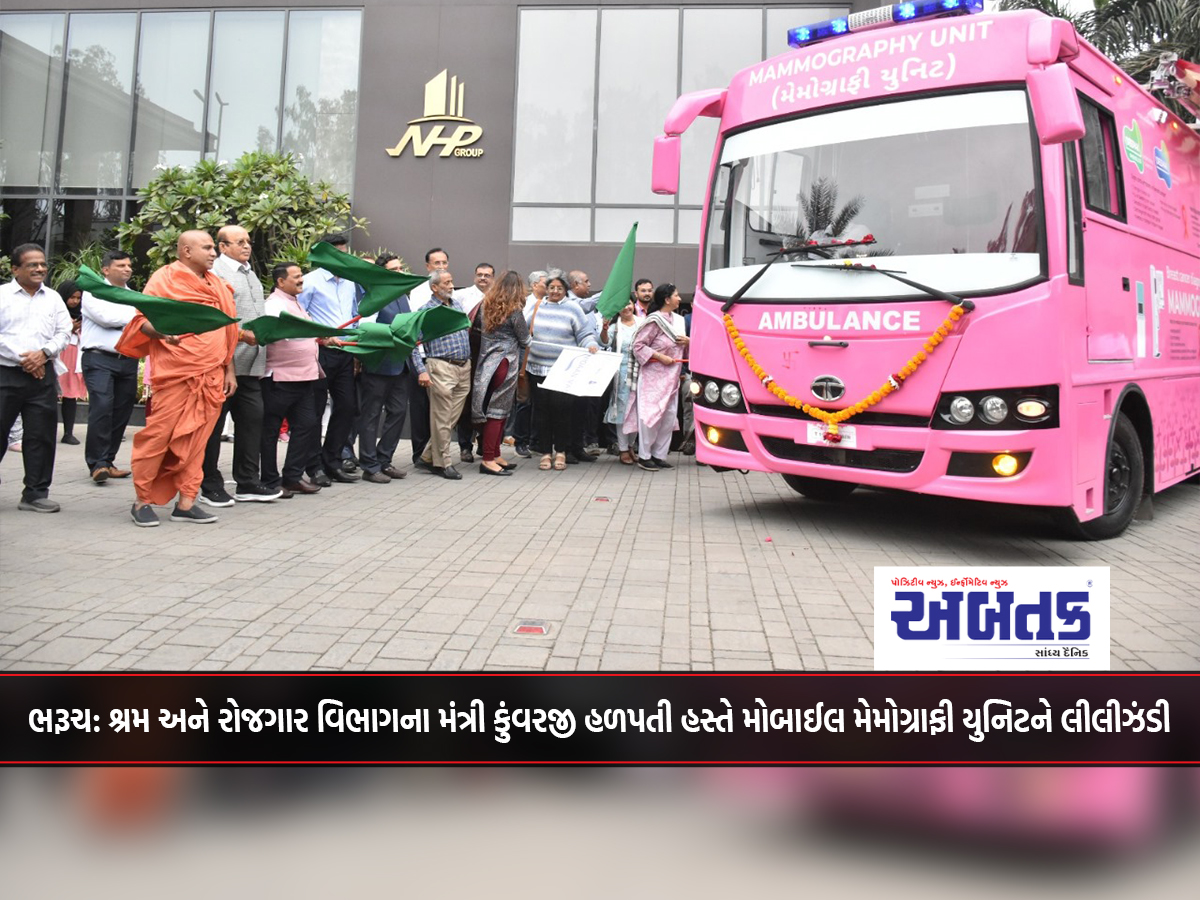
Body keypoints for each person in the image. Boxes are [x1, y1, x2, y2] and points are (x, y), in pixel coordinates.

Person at [119, 230, 238, 526]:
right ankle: (142, 500)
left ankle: (186, 501)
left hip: (211, 374)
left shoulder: (217, 285)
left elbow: (227, 330)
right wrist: (160, 332)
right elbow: (141, 320)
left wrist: (228, 369)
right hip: (176, 372)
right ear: (186, 251)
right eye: (207, 248)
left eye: (214, 248)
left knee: (198, 440)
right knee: (159, 437)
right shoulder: (165, 278)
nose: (213, 253)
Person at [200, 224, 279, 506]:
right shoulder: (216, 275)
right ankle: (209, 485)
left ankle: (247, 483)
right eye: (239, 242)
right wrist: (235, 351)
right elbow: (218, 323)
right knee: (214, 429)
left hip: (253, 367)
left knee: (251, 425)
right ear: (223, 247)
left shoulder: (250, 273)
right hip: (223, 366)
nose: (247, 246)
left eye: (248, 241)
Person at [0, 244, 72, 512]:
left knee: (41, 435)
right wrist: (25, 359)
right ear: (15, 269)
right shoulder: (2, 296)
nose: (40, 269)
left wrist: (43, 354)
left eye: (42, 264)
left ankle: (35, 493)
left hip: (42, 376)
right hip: (5, 373)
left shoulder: (53, 298)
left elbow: (64, 331)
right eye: (32, 265)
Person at [298, 233, 360, 486]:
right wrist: (321, 337)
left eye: (344, 252)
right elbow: (299, 317)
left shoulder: (349, 282)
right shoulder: (310, 281)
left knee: (347, 407)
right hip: (320, 351)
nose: (342, 257)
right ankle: (313, 467)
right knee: (314, 411)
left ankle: (331, 461)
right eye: (337, 253)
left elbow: (354, 314)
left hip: (345, 352)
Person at [260, 263, 325, 497]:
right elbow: (275, 334)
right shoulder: (274, 305)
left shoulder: (295, 302)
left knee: (307, 425)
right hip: (280, 379)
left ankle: (293, 477)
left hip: (305, 378)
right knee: (270, 431)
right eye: (296, 277)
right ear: (280, 282)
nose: (301, 280)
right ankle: (269, 480)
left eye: (301, 276)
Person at [526, 274, 598, 471]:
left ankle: (561, 451)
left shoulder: (573, 308)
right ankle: (545, 453)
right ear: (546, 289)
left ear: (565, 290)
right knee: (541, 413)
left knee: (562, 412)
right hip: (537, 369)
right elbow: (523, 332)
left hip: (564, 371)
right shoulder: (536, 306)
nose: (555, 291)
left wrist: (591, 344)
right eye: (551, 287)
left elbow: (584, 334)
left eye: (559, 288)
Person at [356, 253, 414, 484]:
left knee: (399, 412)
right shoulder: (374, 296)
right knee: (371, 415)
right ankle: (369, 466)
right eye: (394, 269)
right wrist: (393, 335)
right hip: (378, 364)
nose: (400, 273)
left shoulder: (402, 295)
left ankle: (384, 460)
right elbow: (364, 327)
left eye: (401, 268)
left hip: (400, 365)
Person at [80, 250, 138, 482]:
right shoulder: (94, 292)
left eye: (129, 265)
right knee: (102, 407)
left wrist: (134, 315)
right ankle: (97, 463)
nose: (127, 269)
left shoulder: (133, 295)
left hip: (128, 359)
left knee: (121, 412)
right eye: (121, 265)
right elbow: (105, 317)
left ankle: (108, 460)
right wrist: (134, 315)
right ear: (106, 270)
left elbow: (142, 320)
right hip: (99, 359)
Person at [624, 283, 689, 472]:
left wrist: (688, 342)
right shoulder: (654, 320)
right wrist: (660, 356)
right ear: (667, 300)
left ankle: (659, 455)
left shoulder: (678, 320)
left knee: (668, 417)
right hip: (653, 377)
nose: (679, 298)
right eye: (676, 295)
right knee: (650, 417)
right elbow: (638, 346)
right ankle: (644, 456)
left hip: (672, 377)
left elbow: (684, 347)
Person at [413, 270, 471, 480]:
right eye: (446, 282)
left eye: (452, 281)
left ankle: (427, 455)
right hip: (440, 367)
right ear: (434, 287)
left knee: (448, 418)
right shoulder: (425, 311)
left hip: (464, 367)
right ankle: (442, 462)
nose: (451, 285)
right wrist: (421, 370)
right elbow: (412, 344)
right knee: (441, 417)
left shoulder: (455, 305)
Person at [472, 270, 530, 475]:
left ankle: (495, 454)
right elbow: (525, 339)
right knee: (497, 413)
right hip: (506, 363)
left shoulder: (485, 305)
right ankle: (488, 459)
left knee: (494, 411)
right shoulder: (515, 310)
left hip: (487, 364)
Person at [406, 247, 448, 464]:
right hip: (420, 356)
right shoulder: (419, 290)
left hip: (441, 359)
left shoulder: (449, 291)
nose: (440, 267)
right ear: (427, 267)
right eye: (436, 263)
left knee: (439, 409)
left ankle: (433, 453)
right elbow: (415, 327)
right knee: (420, 407)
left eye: (444, 263)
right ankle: (418, 454)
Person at [452, 263, 493, 463]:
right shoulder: (461, 296)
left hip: (490, 358)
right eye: (479, 274)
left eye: (487, 275)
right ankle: (464, 446)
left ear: (493, 278)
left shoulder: (498, 298)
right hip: (468, 355)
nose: (483, 278)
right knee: (466, 402)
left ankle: (484, 445)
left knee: (487, 401)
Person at [601, 298, 644, 465]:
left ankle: (632, 446)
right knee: (623, 412)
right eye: (622, 304)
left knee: (638, 411)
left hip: (641, 371)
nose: (626, 307)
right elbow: (603, 342)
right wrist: (604, 331)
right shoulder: (615, 327)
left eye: (629, 304)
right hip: (622, 373)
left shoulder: (642, 323)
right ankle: (623, 448)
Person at [54, 278, 86, 446]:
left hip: (74, 355)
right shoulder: (56, 311)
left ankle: (68, 432)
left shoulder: (82, 314)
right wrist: (69, 328)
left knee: (70, 394)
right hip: (59, 353)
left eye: (78, 298)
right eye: (72, 297)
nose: (74, 301)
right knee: (52, 393)